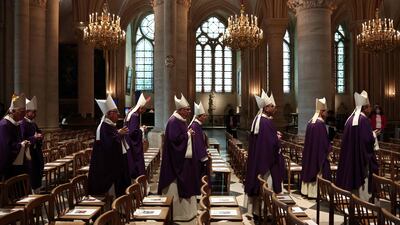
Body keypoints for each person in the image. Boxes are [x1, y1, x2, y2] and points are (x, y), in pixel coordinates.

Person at [158, 94, 197, 222]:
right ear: (180, 110)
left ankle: (187, 213)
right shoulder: (174, 121)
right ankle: (178, 214)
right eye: (187, 109)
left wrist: (187, 134)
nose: (189, 111)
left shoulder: (180, 120)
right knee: (177, 186)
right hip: (175, 162)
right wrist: (187, 134)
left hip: (182, 159)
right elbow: (175, 142)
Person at [244, 90, 284, 218]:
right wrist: (277, 139)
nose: (275, 108)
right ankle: (265, 210)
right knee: (267, 184)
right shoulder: (266, 122)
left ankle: (256, 210)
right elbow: (269, 144)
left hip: (258, 158)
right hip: (266, 163)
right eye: (273, 106)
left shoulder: (259, 118)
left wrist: (274, 135)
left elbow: (264, 139)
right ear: (266, 108)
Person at [336, 90, 379, 201]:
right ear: (365, 108)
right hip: (360, 159)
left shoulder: (350, 119)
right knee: (362, 183)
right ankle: (364, 203)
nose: (371, 109)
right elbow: (366, 141)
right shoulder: (363, 120)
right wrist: (373, 135)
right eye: (369, 107)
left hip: (351, 156)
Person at [88, 95, 131, 198]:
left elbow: (113, 140)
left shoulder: (110, 125)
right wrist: (119, 134)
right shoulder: (104, 127)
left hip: (112, 163)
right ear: (110, 113)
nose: (118, 115)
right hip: (106, 166)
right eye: (116, 113)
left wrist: (119, 134)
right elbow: (108, 145)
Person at [301, 97, 332, 198]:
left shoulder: (311, 122)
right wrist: (328, 149)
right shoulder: (320, 124)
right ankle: (317, 193)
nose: (327, 114)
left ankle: (307, 191)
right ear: (322, 111)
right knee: (319, 169)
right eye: (325, 111)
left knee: (310, 167)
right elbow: (324, 141)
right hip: (318, 153)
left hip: (310, 153)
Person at [0, 94, 30, 180]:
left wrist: (23, 144)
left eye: (25, 112)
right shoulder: (4, 125)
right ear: (13, 111)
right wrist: (21, 145)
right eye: (22, 112)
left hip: (18, 166)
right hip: (9, 168)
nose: (24, 115)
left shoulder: (17, 124)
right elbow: (6, 149)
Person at [20, 96, 44, 193]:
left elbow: (39, 132)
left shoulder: (33, 123)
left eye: (35, 112)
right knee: (32, 173)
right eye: (33, 111)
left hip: (36, 152)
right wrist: (34, 138)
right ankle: (33, 193)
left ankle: (37, 191)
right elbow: (22, 139)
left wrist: (40, 137)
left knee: (38, 171)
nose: (35, 114)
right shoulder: (22, 123)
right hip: (29, 153)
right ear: (26, 112)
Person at [124, 93, 150, 180]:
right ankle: (139, 184)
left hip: (129, 142)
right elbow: (133, 133)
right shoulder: (135, 116)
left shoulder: (130, 113)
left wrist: (139, 128)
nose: (144, 111)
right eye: (144, 109)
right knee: (137, 163)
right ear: (140, 108)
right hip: (133, 144)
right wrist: (142, 130)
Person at [188, 101, 210, 194]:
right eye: (204, 115)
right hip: (197, 156)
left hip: (197, 154)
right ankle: (199, 191)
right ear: (199, 117)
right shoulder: (195, 126)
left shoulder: (197, 125)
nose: (206, 117)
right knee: (198, 174)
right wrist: (204, 156)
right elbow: (198, 143)